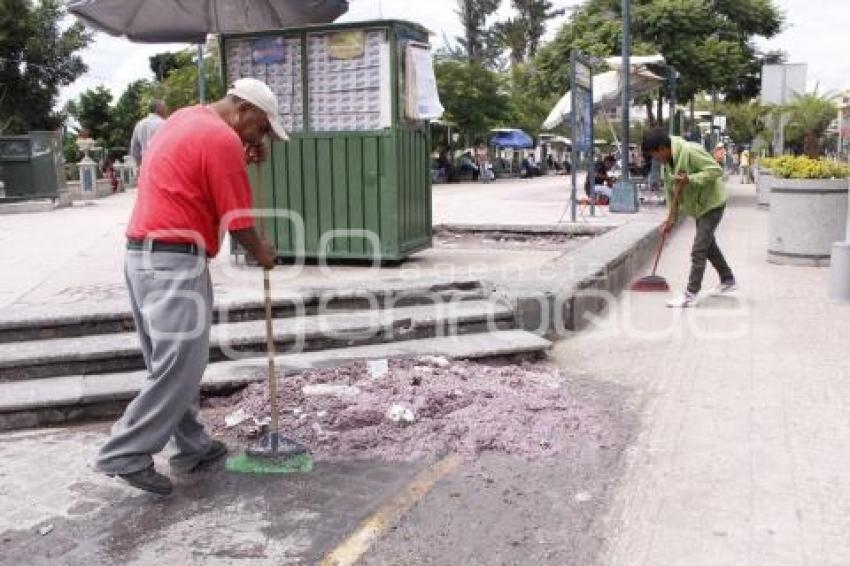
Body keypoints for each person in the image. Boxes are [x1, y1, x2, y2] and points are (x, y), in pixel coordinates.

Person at [95, 78, 288, 495]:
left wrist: (240, 152)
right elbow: (238, 221)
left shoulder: (186, 119)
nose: (262, 136)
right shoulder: (221, 139)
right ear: (244, 110)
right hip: (172, 260)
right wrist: (264, 253)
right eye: (262, 127)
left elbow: (195, 174)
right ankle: (124, 451)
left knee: (170, 361)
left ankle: (193, 445)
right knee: (180, 363)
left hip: (144, 256)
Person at [642, 128, 737, 308]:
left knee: (698, 249)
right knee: (708, 246)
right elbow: (672, 195)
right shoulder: (667, 165)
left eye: (655, 155)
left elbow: (715, 170)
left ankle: (691, 294)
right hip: (698, 207)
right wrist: (670, 219)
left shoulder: (691, 151)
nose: (655, 159)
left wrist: (690, 179)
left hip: (712, 203)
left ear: (662, 148)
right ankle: (728, 279)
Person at [130, 99, 168, 167]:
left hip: (145, 165)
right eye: (164, 107)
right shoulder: (165, 124)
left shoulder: (139, 124)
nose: (166, 110)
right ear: (158, 109)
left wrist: (140, 165)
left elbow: (134, 150)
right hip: (161, 165)